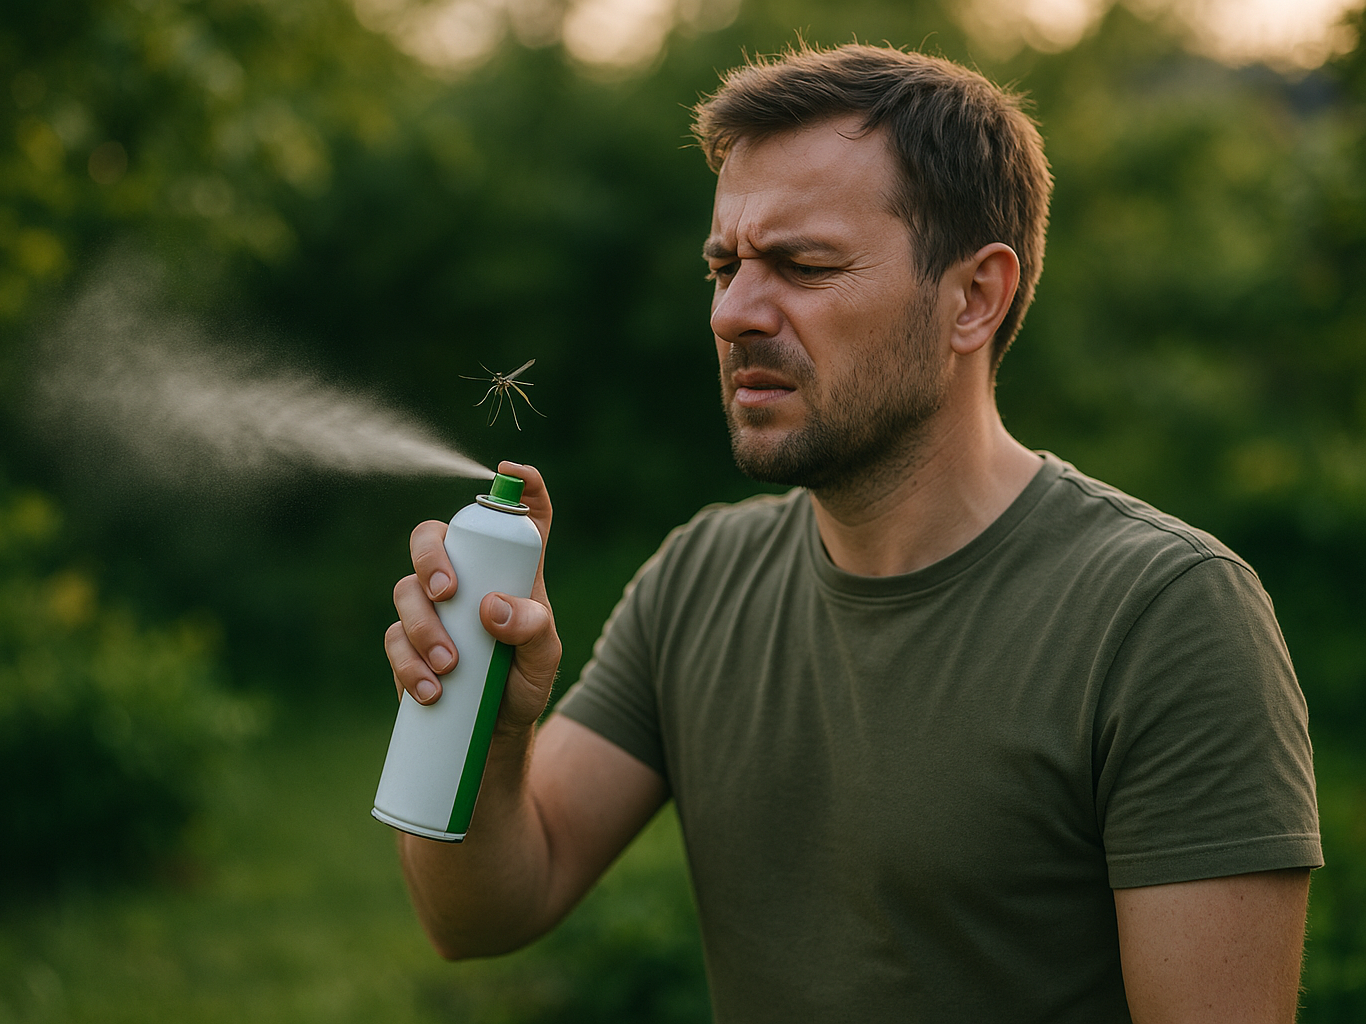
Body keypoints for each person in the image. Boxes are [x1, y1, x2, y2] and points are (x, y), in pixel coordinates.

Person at [382, 42, 1322, 1023]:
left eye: (802, 263)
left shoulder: (1166, 617)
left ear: (974, 298)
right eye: (724, 265)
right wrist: (489, 721)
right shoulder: (700, 578)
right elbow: (482, 914)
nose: (734, 313)